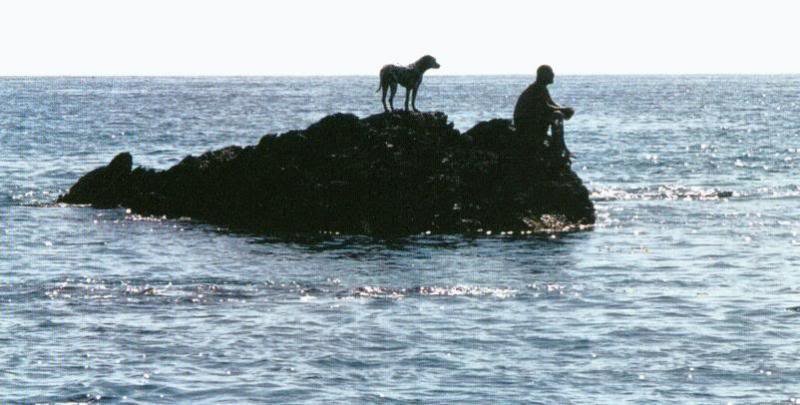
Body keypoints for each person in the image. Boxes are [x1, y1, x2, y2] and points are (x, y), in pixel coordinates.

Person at [513, 65, 575, 159]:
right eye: (550, 73)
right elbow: (545, 107)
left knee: (558, 113)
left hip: (533, 123)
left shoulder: (542, 88)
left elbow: (551, 104)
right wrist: (562, 111)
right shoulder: (535, 89)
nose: (553, 75)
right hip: (526, 126)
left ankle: (560, 144)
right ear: (543, 75)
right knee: (557, 115)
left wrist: (565, 110)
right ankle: (560, 146)